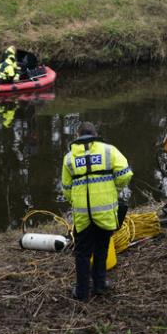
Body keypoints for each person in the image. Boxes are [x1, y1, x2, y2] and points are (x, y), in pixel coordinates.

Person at [61, 122, 133, 301]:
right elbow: (125, 174)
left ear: (77, 136)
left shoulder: (69, 158)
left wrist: (74, 200)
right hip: (105, 211)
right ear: (95, 134)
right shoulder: (109, 151)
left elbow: (66, 188)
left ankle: (82, 292)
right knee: (102, 248)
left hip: (83, 214)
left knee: (83, 253)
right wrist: (114, 188)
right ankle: (100, 285)